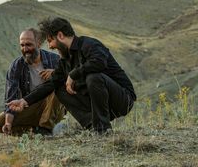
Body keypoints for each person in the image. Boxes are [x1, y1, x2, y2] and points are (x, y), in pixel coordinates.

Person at [7, 17, 136, 134]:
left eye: (50, 41)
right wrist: (24, 101)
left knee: (93, 77)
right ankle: (92, 126)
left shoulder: (89, 44)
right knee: (59, 88)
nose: (50, 46)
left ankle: (102, 129)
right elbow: (50, 83)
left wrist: (73, 75)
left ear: (60, 35)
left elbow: (99, 63)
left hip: (123, 99)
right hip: (99, 103)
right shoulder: (65, 60)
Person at [0, 28, 66, 135]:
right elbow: (11, 99)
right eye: (22, 45)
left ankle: (46, 128)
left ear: (38, 43)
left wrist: (55, 73)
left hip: (53, 108)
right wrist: (8, 123)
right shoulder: (16, 66)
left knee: (57, 86)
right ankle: (37, 131)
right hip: (29, 106)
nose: (25, 49)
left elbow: (70, 80)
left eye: (29, 44)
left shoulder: (55, 60)